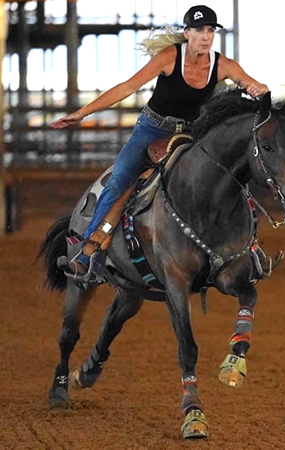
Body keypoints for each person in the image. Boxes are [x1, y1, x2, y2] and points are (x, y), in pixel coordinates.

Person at [53, 5, 269, 282]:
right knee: (119, 179)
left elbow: (253, 83)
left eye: (211, 31)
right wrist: (83, 113)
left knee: (226, 176)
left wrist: (259, 88)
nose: (206, 36)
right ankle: (86, 255)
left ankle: (245, 248)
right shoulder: (169, 57)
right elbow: (126, 88)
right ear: (187, 33)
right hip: (152, 129)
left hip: (191, 133)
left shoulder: (223, 65)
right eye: (200, 30)